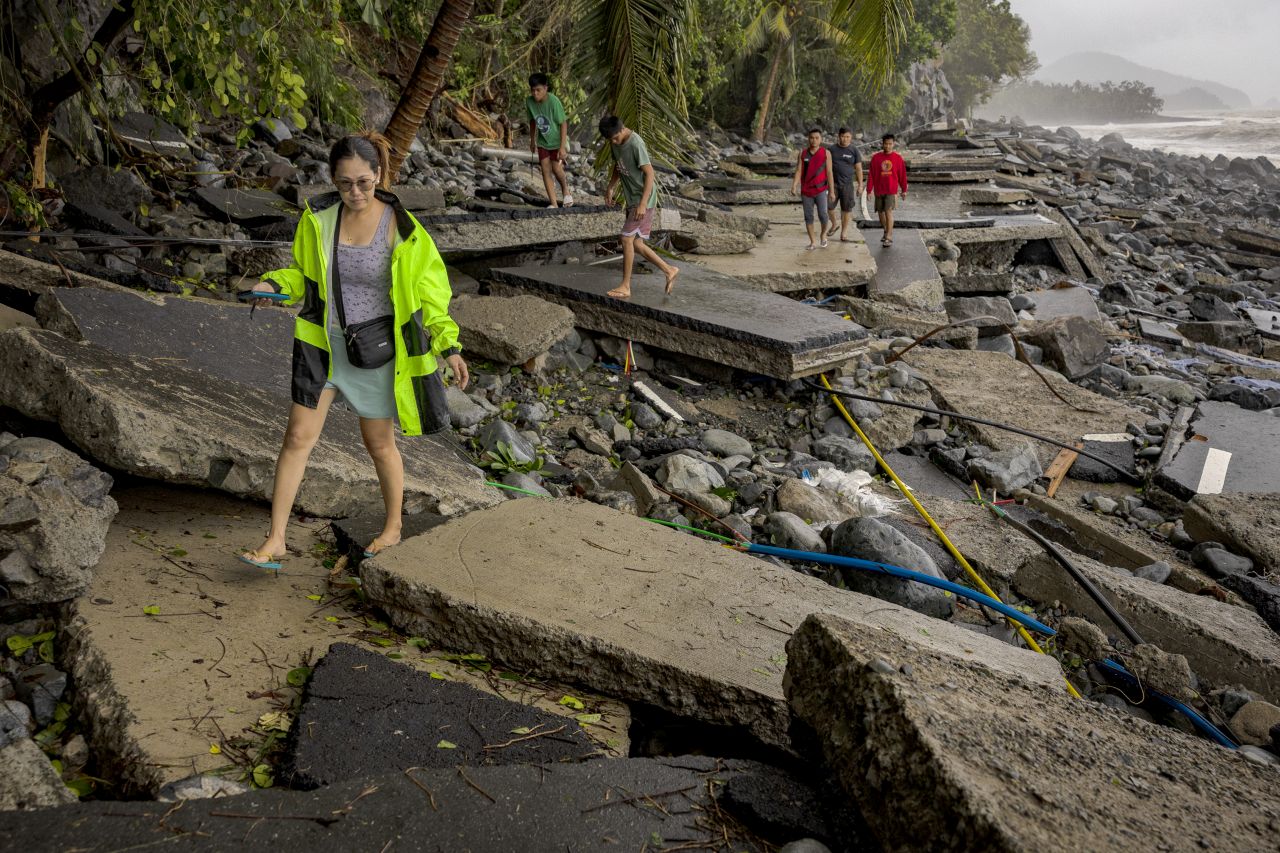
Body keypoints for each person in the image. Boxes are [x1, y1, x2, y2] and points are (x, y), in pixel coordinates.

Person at [240, 133, 469, 570]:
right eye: (345, 184)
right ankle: (276, 539)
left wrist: (450, 346)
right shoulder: (319, 219)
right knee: (296, 438)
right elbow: (304, 277)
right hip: (322, 346)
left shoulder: (403, 229)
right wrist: (273, 285)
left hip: (375, 353)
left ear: (378, 175)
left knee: (378, 444)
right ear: (333, 180)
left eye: (363, 182)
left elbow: (431, 297)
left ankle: (393, 527)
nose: (356, 193)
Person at [598, 115, 679, 299]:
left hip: (643, 200)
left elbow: (650, 174)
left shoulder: (636, 143)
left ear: (622, 128)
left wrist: (643, 204)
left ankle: (626, 286)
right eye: (611, 140)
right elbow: (618, 165)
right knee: (636, 243)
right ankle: (669, 270)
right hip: (632, 198)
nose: (614, 142)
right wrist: (611, 187)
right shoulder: (614, 142)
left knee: (626, 239)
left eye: (616, 138)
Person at [526, 73, 573, 208]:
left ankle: (565, 190)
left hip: (558, 141)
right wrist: (532, 140)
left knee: (556, 169)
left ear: (545, 88)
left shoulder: (553, 101)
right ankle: (553, 204)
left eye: (538, 90)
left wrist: (562, 147)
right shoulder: (529, 102)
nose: (535, 93)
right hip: (543, 142)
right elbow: (532, 121)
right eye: (533, 90)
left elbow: (563, 123)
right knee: (545, 171)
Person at [791, 128, 836, 250]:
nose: (814, 140)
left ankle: (823, 234)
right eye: (811, 138)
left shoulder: (826, 153)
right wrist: (794, 185)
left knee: (823, 215)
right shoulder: (803, 153)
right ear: (808, 139)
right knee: (808, 217)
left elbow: (829, 172)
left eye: (816, 138)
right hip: (806, 191)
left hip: (821, 190)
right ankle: (812, 242)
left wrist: (832, 191)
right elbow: (799, 170)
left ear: (821, 139)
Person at [868, 133, 907, 248]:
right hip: (879, 189)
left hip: (891, 190)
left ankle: (889, 237)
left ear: (893, 144)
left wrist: (904, 189)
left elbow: (902, 175)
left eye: (890, 144)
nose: (888, 146)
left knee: (888, 212)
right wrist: (869, 190)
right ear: (882, 144)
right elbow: (871, 175)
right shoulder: (876, 158)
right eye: (886, 144)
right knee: (880, 213)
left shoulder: (898, 158)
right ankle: (885, 230)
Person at [826, 127, 864, 242]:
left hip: (847, 185)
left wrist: (860, 185)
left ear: (851, 137)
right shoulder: (831, 149)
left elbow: (858, 169)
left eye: (847, 137)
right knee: (828, 206)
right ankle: (834, 224)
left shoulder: (854, 150)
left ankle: (844, 232)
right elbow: (825, 167)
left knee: (846, 209)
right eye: (843, 136)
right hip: (833, 184)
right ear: (838, 136)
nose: (845, 139)